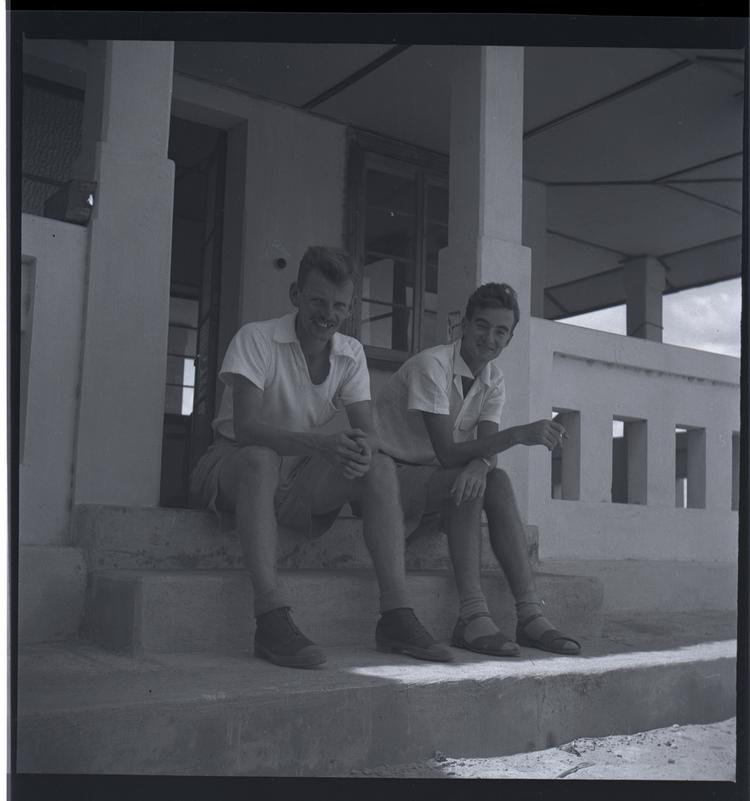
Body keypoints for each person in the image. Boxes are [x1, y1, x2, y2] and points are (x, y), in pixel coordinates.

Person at [190, 246, 453, 668]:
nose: (327, 314)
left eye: (338, 305)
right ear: (296, 295)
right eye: (317, 301)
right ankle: (270, 617)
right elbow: (246, 428)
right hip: (233, 462)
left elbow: (367, 429)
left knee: (379, 463)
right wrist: (321, 445)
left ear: (349, 309)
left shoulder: (350, 354)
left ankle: (396, 614)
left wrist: (359, 447)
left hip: (296, 474)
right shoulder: (256, 338)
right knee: (261, 457)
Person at [373, 282, 581, 657]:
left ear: (510, 337)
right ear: (463, 325)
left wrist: (481, 466)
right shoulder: (431, 366)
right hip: (385, 482)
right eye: (482, 326)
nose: (490, 338)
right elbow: (449, 452)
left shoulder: (492, 379)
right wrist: (517, 435)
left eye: (501, 331)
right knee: (471, 479)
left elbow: (486, 450)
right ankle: (471, 615)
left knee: (494, 478)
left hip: (432, 481)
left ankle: (530, 615)